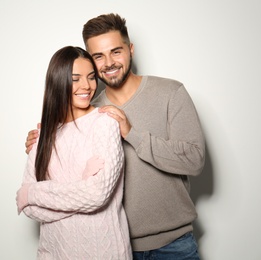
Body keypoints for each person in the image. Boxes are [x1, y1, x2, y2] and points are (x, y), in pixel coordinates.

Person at [24, 14, 206, 260]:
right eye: (98, 56)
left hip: (173, 244)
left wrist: (132, 134)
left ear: (130, 50)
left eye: (116, 51)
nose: (108, 63)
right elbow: (72, 181)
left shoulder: (170, 92)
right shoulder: (87, 110)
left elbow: (194, 160)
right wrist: (45, 143)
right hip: (115, 245)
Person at [16, 46, 132, 259]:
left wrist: (32, 193)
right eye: (75, 78)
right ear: (58, 82)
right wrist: (81, 188)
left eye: (90, 77)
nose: (87, 86)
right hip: (53, 253)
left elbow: (98, 195)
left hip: (102, 252)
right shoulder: (44, 134)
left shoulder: (104, 123)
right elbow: (31, 210)